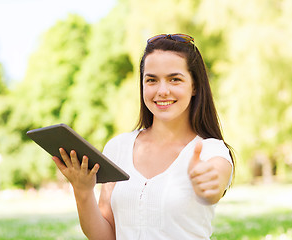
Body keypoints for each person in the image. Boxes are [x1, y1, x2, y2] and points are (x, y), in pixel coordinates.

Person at [52, 33, 235, 240]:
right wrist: (82, 191)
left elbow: (214, 180)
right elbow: (105, 236)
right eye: (151, 80)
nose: (162, 90)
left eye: (175, 79)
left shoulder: (211, 151)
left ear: (194, 86)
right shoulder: (118, 147)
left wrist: (208, 183)